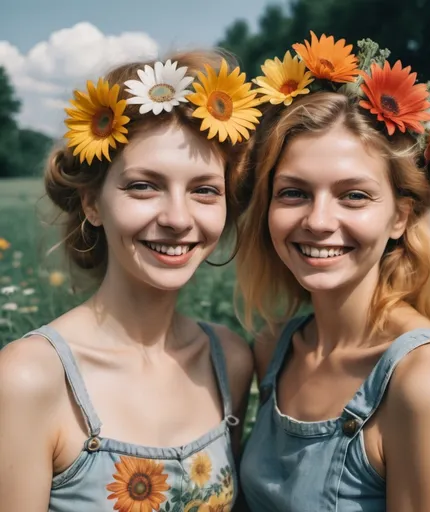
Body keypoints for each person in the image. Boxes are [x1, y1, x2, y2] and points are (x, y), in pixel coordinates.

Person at [236, 33, 430, 511]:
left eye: (354, 195)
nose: (317, 221)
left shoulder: (425, 382)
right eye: (293, 192)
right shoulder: (274, 348)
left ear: (401, 216)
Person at [0, 49, 258, 511]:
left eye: (204, 190)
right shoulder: (29, 379)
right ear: (92, 204)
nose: (178, 218)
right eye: (144, 185)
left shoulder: (229, 361)